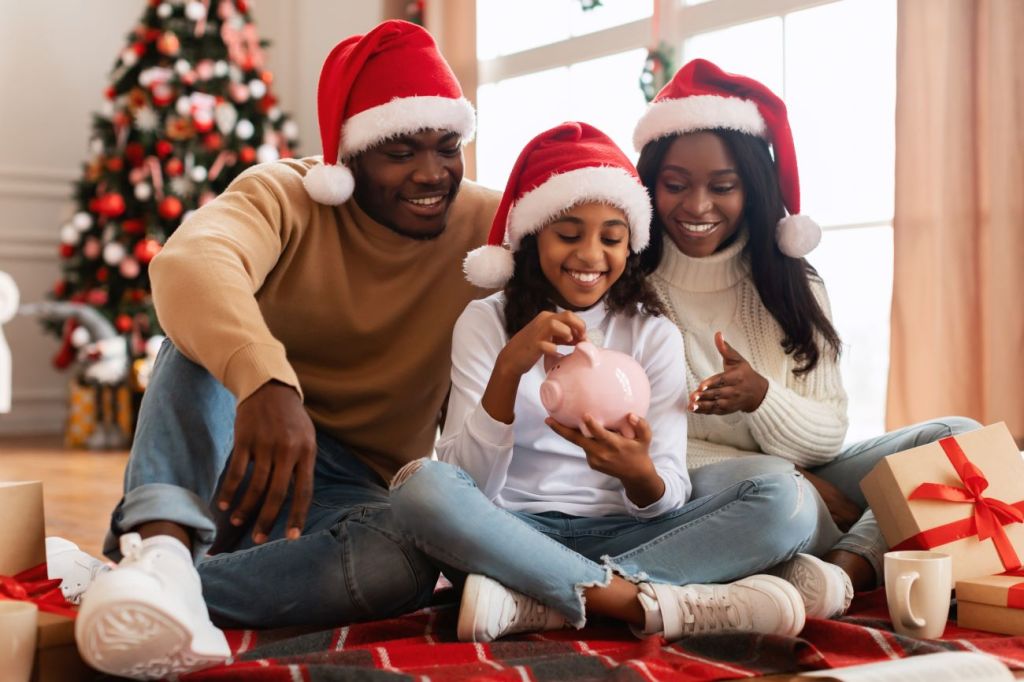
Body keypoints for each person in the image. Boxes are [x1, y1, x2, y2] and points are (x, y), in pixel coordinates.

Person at [72, 20, 500, 680]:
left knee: (410, 559)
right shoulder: (284, 194)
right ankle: (160, 545)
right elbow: (190, 263)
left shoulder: (486, 229)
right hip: (234, 448)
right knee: (195, 346)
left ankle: (157, 586)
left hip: (348, 495)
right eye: (401, 151)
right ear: (348, 158)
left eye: (447, 146)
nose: (431, 172)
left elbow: (593, 249)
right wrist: (266, 383)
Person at [389, 121, 838, 645]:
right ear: (534, 236)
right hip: (514, 532)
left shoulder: (652, 333)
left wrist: (638, 473)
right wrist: (508, 370)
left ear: (631, 245)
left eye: (612, 237)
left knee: (786, 499)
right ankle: (634, 601)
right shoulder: (486, 322)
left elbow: (669, 494)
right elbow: (468, 482)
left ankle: (543, 600)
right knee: (420, 486)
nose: (590, 256)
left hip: (629, 532)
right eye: (568, 233)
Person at [632, 59, 981, 613]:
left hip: (810, 474)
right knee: (784, 500)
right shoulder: (631, 291)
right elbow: (646, 447)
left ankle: (846, 567)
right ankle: (839, 544)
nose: (698, 207)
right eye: (676, 186)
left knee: (964, 441)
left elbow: (827, 432)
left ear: (752, 188)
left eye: (723, 187)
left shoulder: (793, 283)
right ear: (650, 185)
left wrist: (762, 399)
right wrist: (793, 477)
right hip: (719, 492)